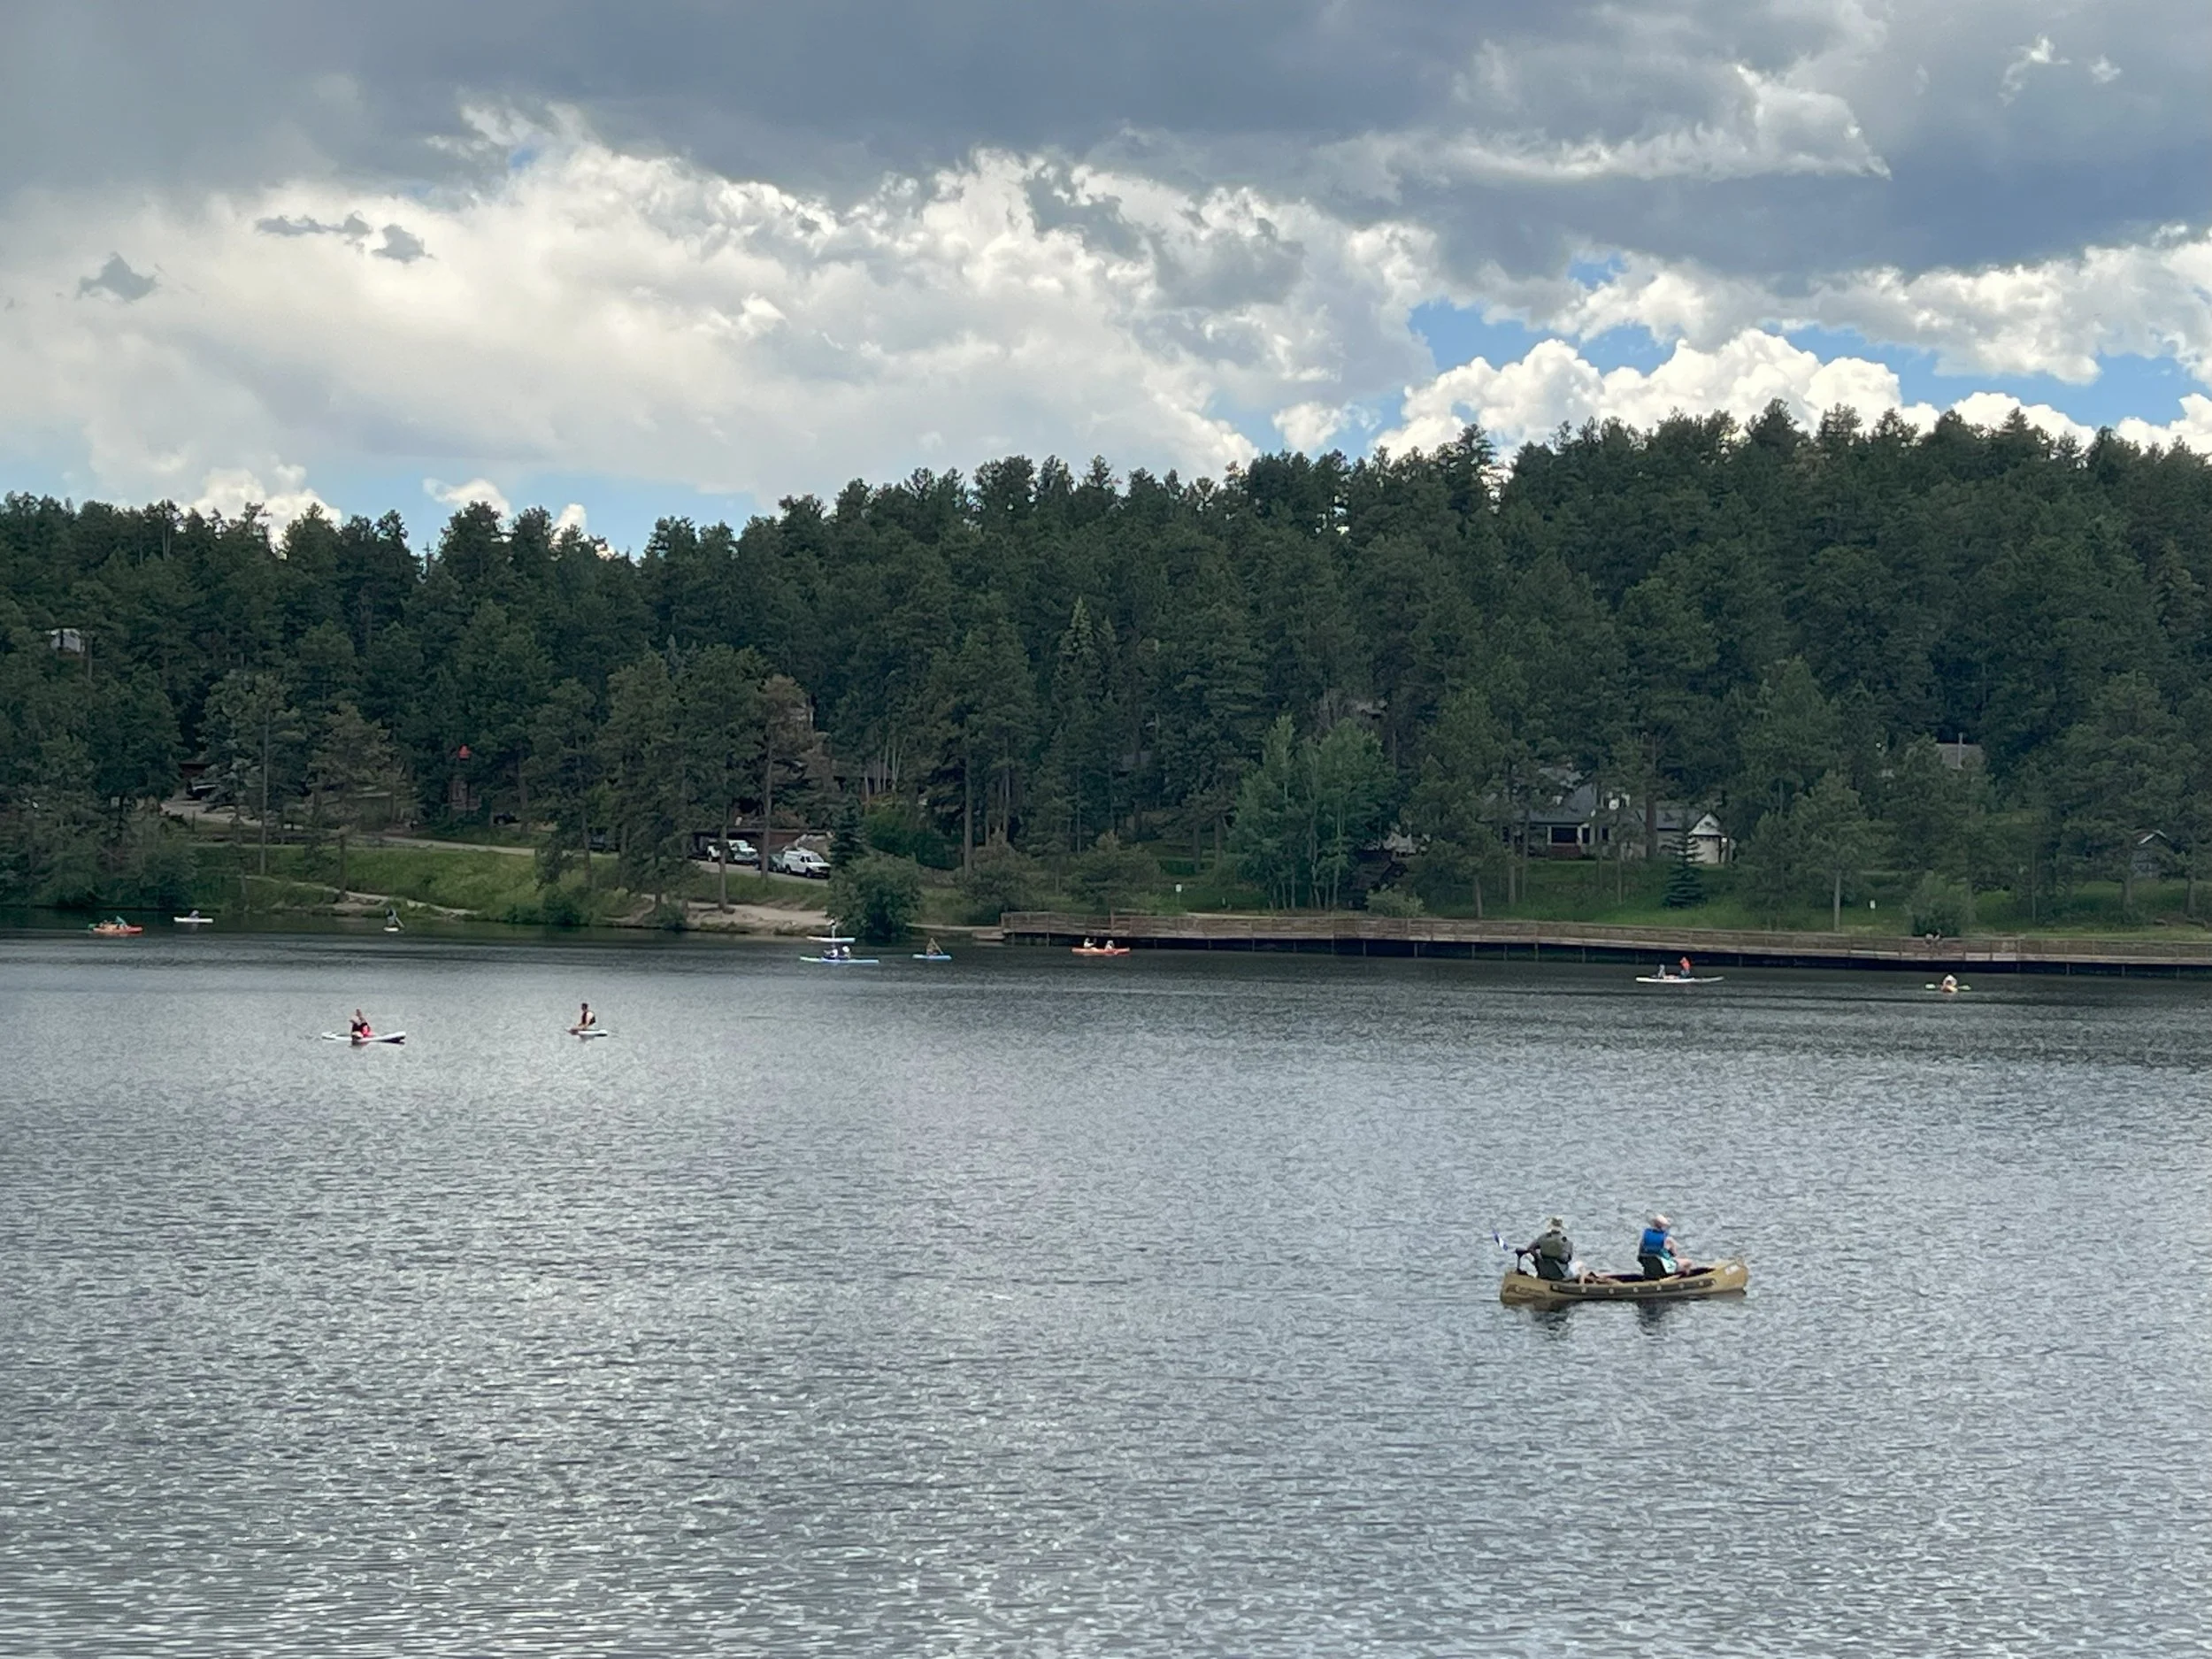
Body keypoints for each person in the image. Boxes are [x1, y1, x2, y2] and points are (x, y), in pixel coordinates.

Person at [1521, 1216, 1576, 1282]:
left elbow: (1530, 1248)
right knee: (1579, 1266)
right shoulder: (1566, 1242)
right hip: (1559, 1275)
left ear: (1551, 1226)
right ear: (1561, 1228)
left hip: (1543, 1272)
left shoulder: (1542, 1238)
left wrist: (1538, 1256)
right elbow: (1565, 1259)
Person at [1638, 1214, 1680, 1279]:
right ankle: (1679, 1280)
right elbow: (1674, 1255)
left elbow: (1640, 1255)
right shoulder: (1668, 1240)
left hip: (1648, 1270)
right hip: (1663, 1270)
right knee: (1688, 1263)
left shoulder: (1645, 1237)